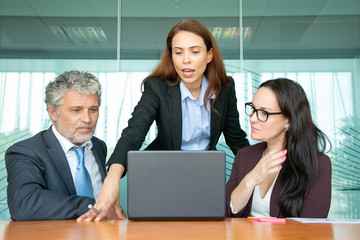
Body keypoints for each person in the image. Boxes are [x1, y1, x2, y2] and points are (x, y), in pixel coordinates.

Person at [78, 18, 249, 221]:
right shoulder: (157, 88)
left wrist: (263, 170)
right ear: (172, 56)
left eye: (195, 52)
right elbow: (134, 132)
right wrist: (112, 178)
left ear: (209, 55)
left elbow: (235, 138)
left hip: (205, 178)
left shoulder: (225, 88)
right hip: (161, 177)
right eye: (178, 52)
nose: (186, 60)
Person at [5, 70, 121, 220]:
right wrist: (96, 206)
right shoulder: (26, 151)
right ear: (53, 113)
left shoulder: (99, 147)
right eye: (76, 110)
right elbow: (25, 204)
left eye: (93, 109)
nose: (87, 119)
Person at [226, 78, 332, 218]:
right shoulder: (244, 155)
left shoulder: (318, 163)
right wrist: (249, 181)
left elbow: (312, 227)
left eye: (264, 113)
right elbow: (224, 212)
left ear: (288, 120)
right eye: (253, 109)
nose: (252, 118)